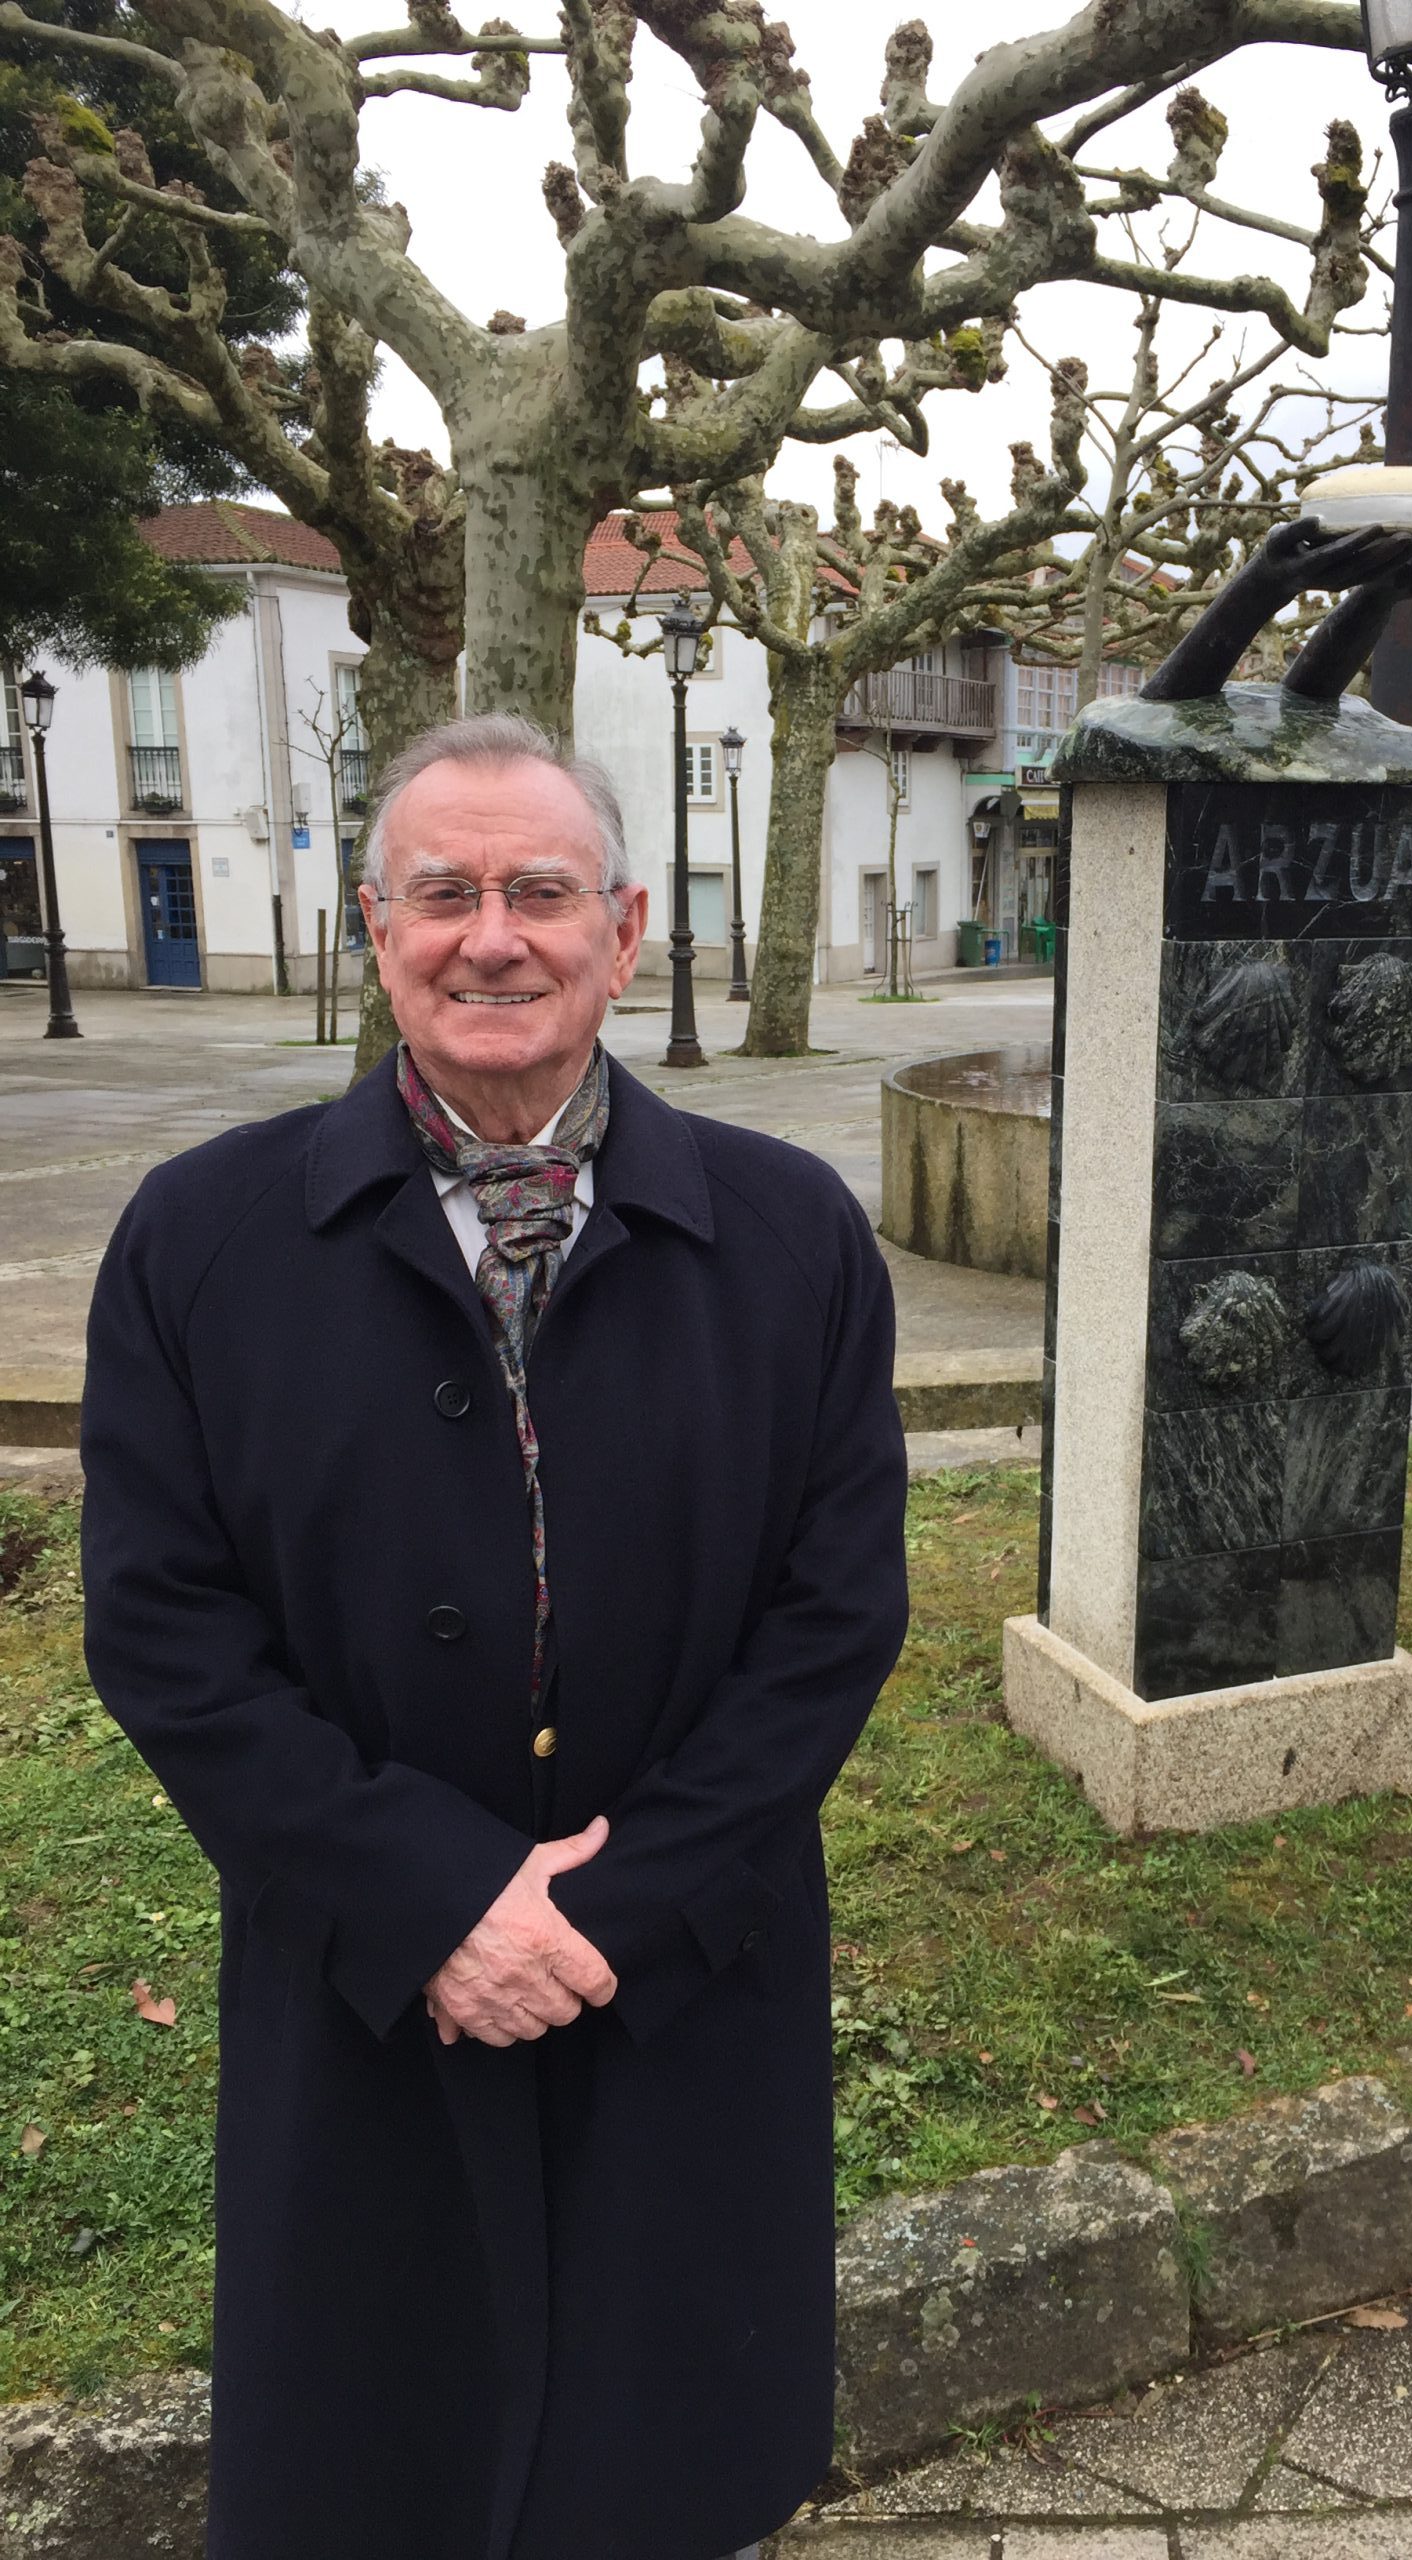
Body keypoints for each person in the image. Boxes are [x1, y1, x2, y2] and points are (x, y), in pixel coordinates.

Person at [80, 713, 910, 2560]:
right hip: (366, 1980)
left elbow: (836, 1615)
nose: (491, 937)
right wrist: (433, 1900)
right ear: (374, 932)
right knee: (380, 2452)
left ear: (622, 934)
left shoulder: (791, 1236)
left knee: (664, 2451)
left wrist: (607, 1911)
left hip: (683, 1963)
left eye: (538, 892)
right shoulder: (199, 1242)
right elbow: (160, 1628)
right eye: (441, 894)